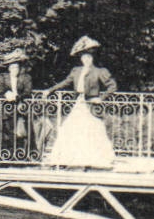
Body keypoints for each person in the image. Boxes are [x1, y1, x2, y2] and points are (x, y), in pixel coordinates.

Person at [41, 35, 117, 168]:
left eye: (88, 57)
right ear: (81, 58)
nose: (86, 60)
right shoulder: (76, 71)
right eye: (83, 57)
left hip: (91, 105)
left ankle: (94, 161)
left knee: (92, 131)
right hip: (79, 104)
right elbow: (65, 83)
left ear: (92, 58)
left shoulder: (99, 71)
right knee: (71, 130)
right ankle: (71, 160)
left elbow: (112, 86)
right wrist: (49, 90)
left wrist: (101, 98)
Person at [0, 48, 38, 164]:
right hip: (7, 108)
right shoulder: (2, 77)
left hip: (21, 108)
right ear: (8, 68)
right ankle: (3, 157)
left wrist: (18, 97)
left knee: (23, 132)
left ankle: (24, 157)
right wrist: (6, 93)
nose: (14, 70)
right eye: (12, 67)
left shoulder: (26, 77)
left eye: (16, 67)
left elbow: (28, 91)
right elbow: (0, 91)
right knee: (6, 131)